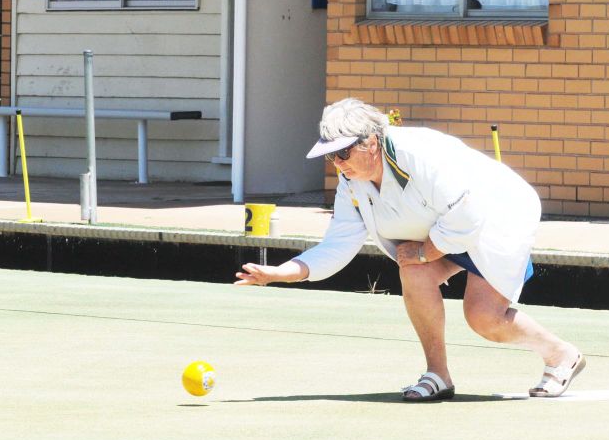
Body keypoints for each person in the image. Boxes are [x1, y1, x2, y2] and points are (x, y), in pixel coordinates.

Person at [234, 98, 585, 401]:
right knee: (412, 270)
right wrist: (282, 273)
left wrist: (425, 251)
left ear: (371, 142)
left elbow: (468, 216)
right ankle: (438, 375)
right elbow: (339, 243)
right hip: (439, 227)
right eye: (331, 157)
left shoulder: (423, 155)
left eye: (343, 153)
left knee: (484, 318)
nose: (338, 164)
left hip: (497, 218)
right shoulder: (351, 181)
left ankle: (560, 354)